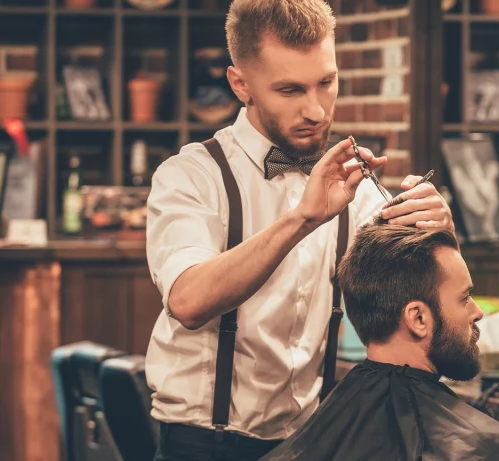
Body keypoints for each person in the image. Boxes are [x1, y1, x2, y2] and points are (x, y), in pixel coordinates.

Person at [143, 0, 453, 459]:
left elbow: (427, 306)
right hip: (203, 443)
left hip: (312, 441)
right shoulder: (191, 175)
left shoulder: (355, 190)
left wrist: (442, 237)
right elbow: (189, 301)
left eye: (325, 83)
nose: (315, 110)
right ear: (240, 84)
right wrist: (302, 219)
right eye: (289, 90)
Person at [260, 224, 499, 461]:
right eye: (465, 298)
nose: (477, 312)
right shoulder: (480, 446)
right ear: (418, 318)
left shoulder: (325, 430)